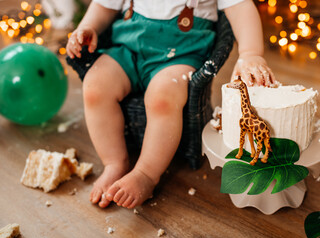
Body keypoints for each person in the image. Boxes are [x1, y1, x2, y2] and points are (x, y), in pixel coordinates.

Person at [66, 0, 275, 209]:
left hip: (181, 54)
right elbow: (104, 5)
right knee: (95, 87)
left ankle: (146, 173)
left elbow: (240, 7)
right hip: (127, 49)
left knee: (162, 99)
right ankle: (114, 162)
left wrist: (250, 53)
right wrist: (89, 26)